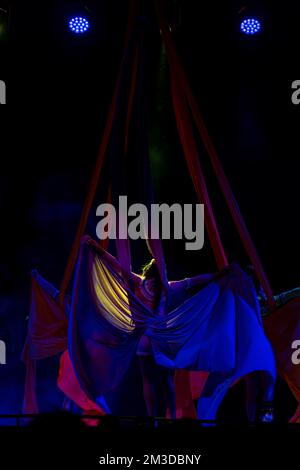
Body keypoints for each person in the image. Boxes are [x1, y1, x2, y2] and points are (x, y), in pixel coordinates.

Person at [94, 241, 222, 418]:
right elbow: (195, 281)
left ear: (148, 272)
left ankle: (152, 417)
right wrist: (219, 275)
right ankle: (172, 416)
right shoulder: (167, 287)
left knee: (148, 381)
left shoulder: (138, 283)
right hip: (161, 340)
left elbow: (115, 264)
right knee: (167, 380)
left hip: (144, 340)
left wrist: (95, 247)